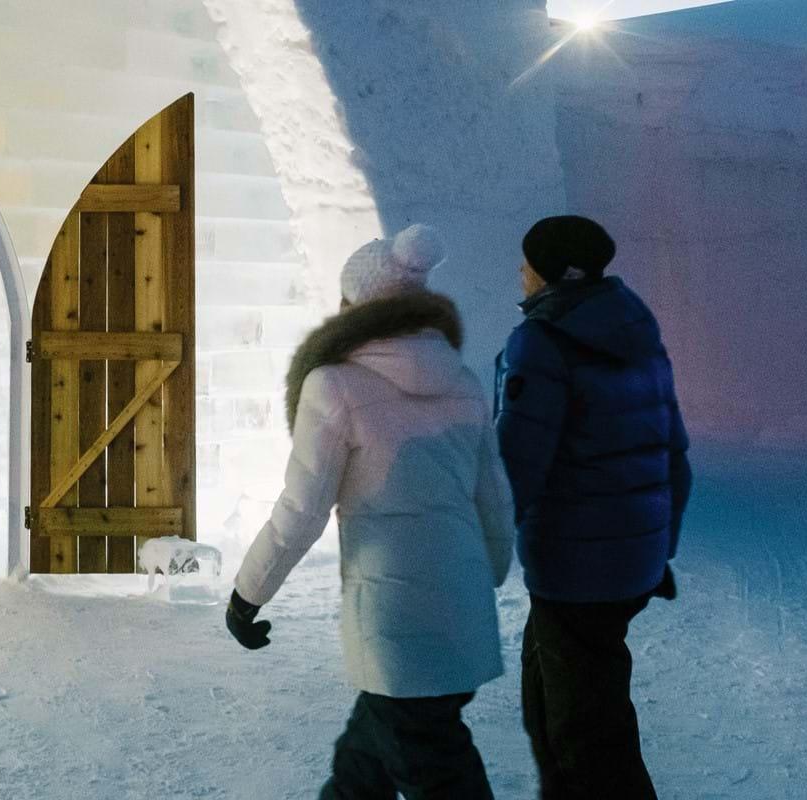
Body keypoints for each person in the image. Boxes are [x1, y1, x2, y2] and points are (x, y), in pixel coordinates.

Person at [227, 224, 514, 799]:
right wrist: (483, 577)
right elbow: (494, 500)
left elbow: (302, 510)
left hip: (394, 615)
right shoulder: (461, 379)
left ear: (352, 308)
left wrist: (247, 594)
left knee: (433, 768)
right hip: (461, 602)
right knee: (366, 765)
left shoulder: (334, 385)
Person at [495, 215, 691, 800]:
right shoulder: (634, 329)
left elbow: (517, 465)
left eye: (527, 262)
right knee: (550, 706)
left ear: (552, 273)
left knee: (587, 738)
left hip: (577, 568)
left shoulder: (542, 341)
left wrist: (475, 548)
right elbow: (673, 451)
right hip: (627, 559)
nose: (520, 272)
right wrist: (658, 547)